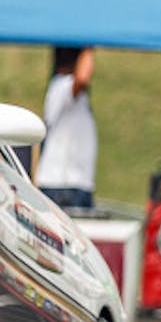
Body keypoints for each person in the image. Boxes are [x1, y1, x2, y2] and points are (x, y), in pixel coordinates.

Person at [34, 46, 96, 210]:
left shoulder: (60, 87)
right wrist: (90, 46)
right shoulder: (62, 86)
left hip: (71, 185)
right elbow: (82, 78)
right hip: (63, 186)